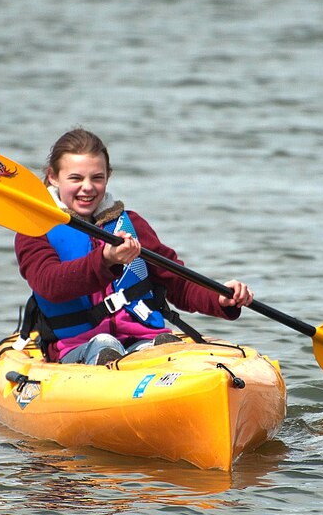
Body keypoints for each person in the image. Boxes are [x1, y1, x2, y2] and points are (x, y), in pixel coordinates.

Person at [15, 128, 254, 366]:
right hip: (77, 347)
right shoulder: (35, 230)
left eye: (97, 177)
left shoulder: (130, 225)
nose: (87, 187)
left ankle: (157, 361)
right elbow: (50, 284)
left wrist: (219, 297)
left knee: (163, 344)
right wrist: (105, 260)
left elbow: (178, 283)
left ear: (108, 176)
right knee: (104, 344)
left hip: (143, 340)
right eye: (75, 178)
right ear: (53, 177)